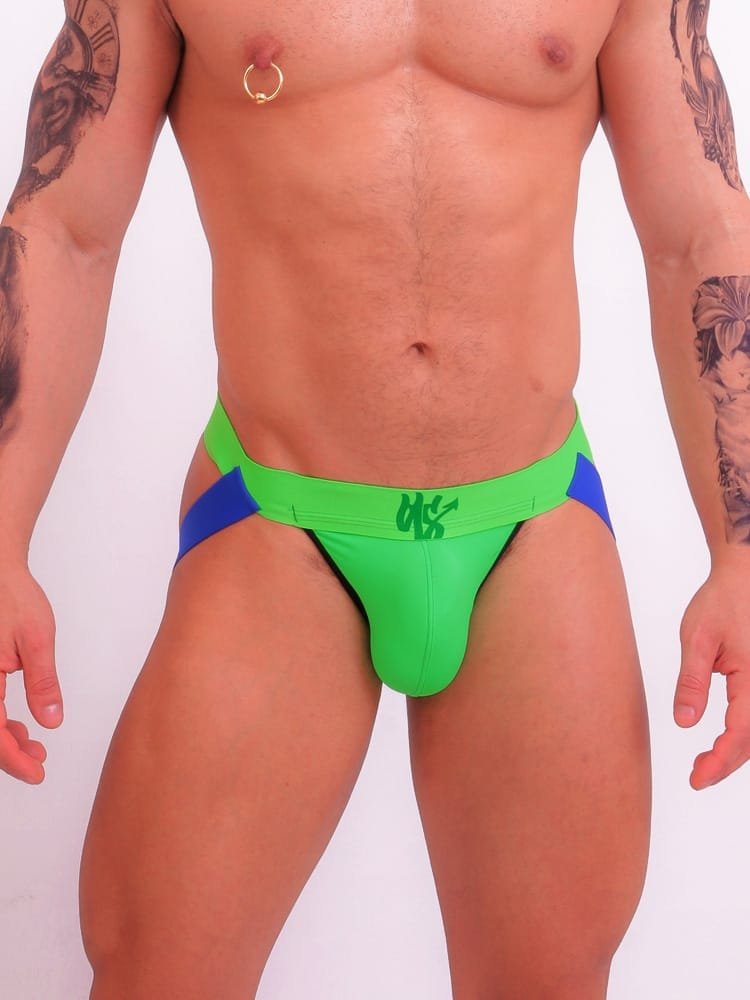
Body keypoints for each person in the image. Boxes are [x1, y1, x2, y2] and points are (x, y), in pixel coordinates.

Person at [0, 0, 748, 997]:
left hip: (534, 518)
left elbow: (698, 230)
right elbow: (63, 228)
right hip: (278, 518)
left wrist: (743, 552)